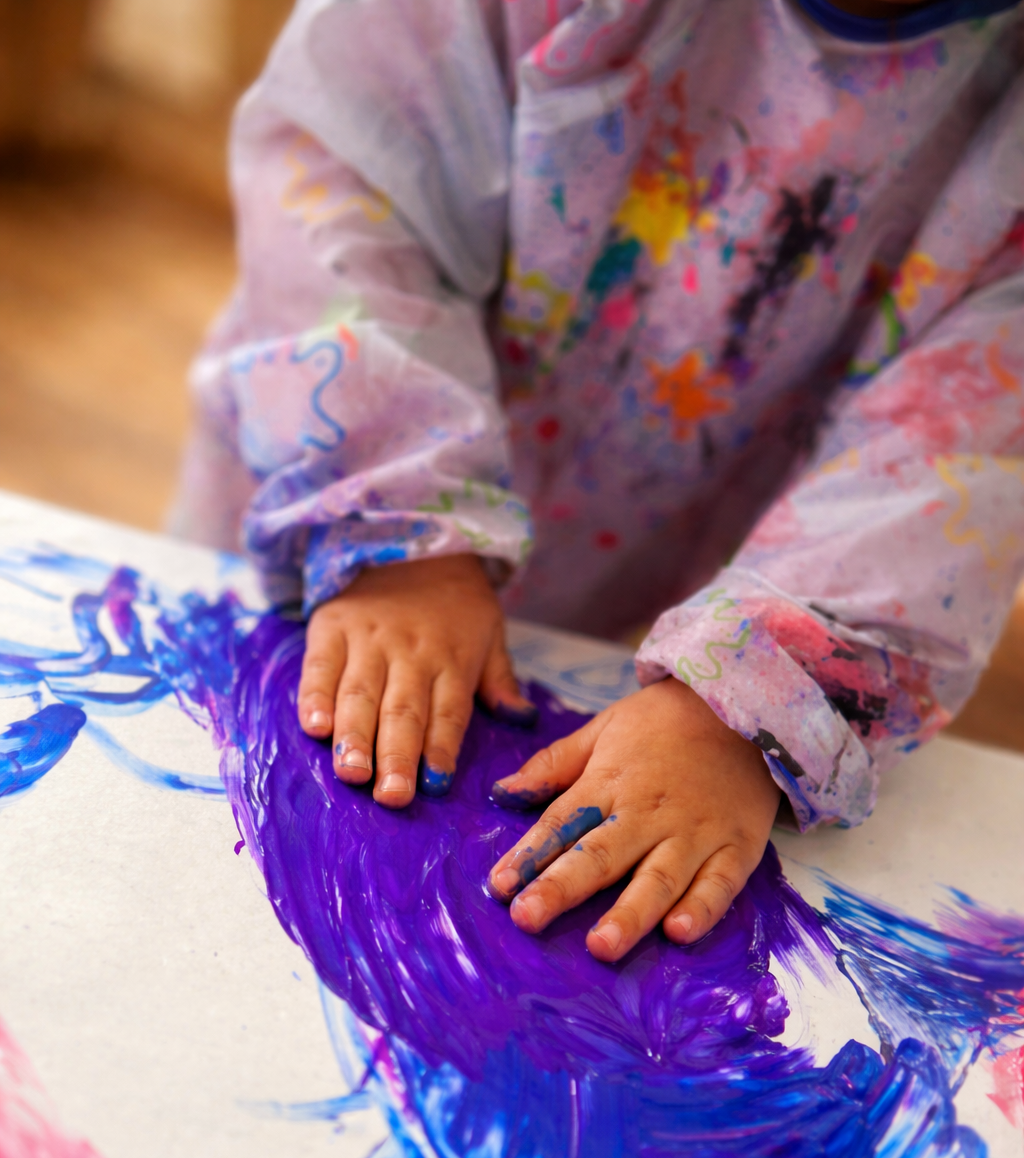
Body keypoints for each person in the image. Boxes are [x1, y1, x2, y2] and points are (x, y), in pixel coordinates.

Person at [172, 0, 1024, 962]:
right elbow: (340, 169)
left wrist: (745, 704)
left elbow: (954, 459)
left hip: (648, 524)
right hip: (329, 488)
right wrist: (394, 520)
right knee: (244, 736)